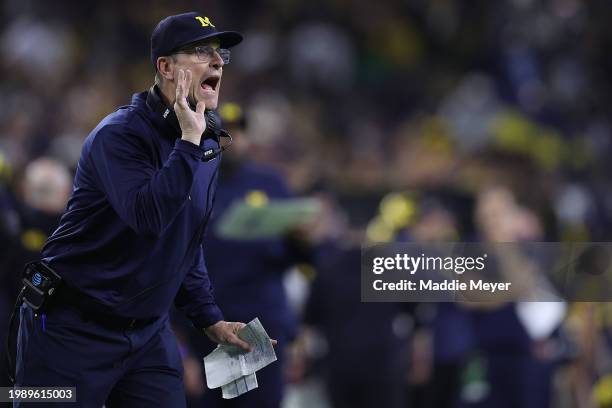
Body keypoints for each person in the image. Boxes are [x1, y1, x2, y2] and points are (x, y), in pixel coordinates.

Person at [12, 12, 272, 408]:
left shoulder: (205, 142)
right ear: (165, 67)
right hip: (70, 328)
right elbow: (150, 218)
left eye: (220, 55)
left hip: (147, 335)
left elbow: (187, 240)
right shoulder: (119, 135)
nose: (218, 62)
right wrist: (187, 141)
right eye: (201, 52)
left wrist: (210, 319)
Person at [193, 102, 314, 408]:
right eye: (223, 133)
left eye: (240, 132)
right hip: (205, 324)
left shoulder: (268, 182)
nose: (233, 140)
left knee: (258, 403)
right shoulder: (192, 180)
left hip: (259, 324)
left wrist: (301, 239)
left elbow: (299, 256)